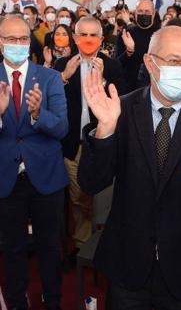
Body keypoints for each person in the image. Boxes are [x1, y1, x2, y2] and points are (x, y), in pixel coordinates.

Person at [78, 25, 181, 310]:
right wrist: (105, 131)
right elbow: (90, 182)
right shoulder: (119, 110)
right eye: (174, 61)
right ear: (150, 63)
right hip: (129, 260)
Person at [0, 17, 68, 310]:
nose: (18, 45)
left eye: (23, 39)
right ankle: (16, 303)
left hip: (46, 177)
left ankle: (53, 302)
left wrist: (38, 115)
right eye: (11, 39)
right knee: (13, 250)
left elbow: (62, 128)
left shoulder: (48, 79)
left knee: (49, 248)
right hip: (4, 177)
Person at [53, 17, 125, 249]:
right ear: (74, 38)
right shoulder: (62, 65)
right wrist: (64, 77)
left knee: (101, 197)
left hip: (101, 145)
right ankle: (83, 243)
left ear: (102, 39)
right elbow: (50, 103)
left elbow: (120, 103)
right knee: (77, 198)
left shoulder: (112, 66)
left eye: (94, 35)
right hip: (72, 144)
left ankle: (103, 241)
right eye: (83, 34)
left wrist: (103, 80)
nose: (88, 39)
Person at [116, 0, 161, 91]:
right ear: (135, 13)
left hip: (153, 88)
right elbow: (117, 65)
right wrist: (128, 52)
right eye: (140, 11)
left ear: (153, 14)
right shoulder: (126, 34)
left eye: (147, 11)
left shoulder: (161, 35)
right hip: (128, 88)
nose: (144, 14)